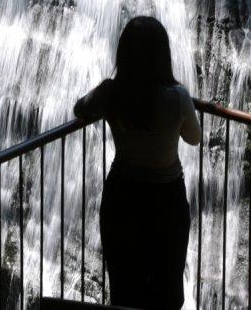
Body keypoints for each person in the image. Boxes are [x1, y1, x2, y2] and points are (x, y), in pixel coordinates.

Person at [73, 16, 201, 309]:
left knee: (124, 287)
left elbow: (80, 107)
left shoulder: (111, 93)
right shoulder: (178, 97)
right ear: (162, 55)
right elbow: (194, 138)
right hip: (166, 201)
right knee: (166, 288)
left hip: (123, 197)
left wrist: (105, 92)